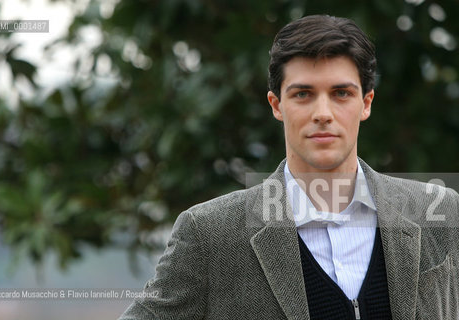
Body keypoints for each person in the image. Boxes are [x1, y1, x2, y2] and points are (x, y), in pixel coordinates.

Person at [118, 15, 459, 320]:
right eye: (303, 94)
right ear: (276, 105)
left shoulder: (441, 212)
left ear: (366, 103)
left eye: (341, 93)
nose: (322, 112)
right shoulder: (209, 235)